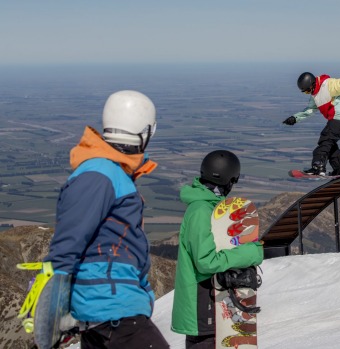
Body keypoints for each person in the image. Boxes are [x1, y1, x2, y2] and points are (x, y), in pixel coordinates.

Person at [42, 90, 169, 348]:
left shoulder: (109, 173)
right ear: (144, 131)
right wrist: (52, 315)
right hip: (112, 307)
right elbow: (68, 243)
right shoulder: (101, 173)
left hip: (109, 308)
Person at [171, 150, 264, 349]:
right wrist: (251, 253)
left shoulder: (210, 208)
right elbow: (206, 261)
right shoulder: (200, 211)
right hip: (201, 304)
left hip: (207, 302)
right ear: (229, 180)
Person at [283, 72, 340, 176]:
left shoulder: (327, 85)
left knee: (325, 139)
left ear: (313, 84)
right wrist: (295, 118)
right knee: (329, 142)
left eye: (308, 90)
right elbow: (309, 110)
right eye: (305, 92)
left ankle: (318, 166)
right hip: (339, 117)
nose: (309, 93)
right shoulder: (315, 95)